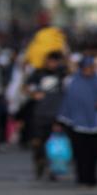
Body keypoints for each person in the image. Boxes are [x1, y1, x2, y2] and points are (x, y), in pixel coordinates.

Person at [57, 56, 97, 187]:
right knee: (80, 152)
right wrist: (61, 120)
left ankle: (92, 177)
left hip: (96, 121)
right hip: (77, 123)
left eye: (91, 68)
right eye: (86, 68)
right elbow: (68, 102)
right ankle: (81, 176)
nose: (89, 70)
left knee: (94, 153)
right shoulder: (74, 83)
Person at [24, 51, 67, 180]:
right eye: (50, 61)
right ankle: (39, 161)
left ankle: (53, 168)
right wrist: (33, 94)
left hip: (56, 112)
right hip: (39, 112)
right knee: (38, 141)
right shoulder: (38, 73)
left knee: (53, 142)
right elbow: (25, 87)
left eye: (55, 61)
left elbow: (73, 70)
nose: (52, 64)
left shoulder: (61, 73)